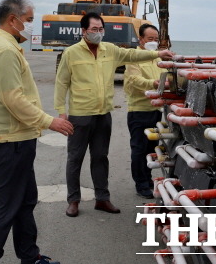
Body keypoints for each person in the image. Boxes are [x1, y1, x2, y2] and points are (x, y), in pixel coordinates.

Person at [0, 0, 74, 264]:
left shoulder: (4, 46)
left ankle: (30, 256)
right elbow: (13, 99)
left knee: (24, 202)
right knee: (6, 207)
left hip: (17, 138)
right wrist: (49, 121)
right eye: (29, 20)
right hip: (9, 141)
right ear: (12, 19)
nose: (31, 26)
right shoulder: (4, 51)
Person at [54, 12, 174, 217]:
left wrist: (157, 54)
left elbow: (133, 55)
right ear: (84, 31)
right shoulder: (71, 53)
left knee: (100, 157)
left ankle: (102, 198)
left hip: (103, 113)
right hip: (80, 114)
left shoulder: (109, 50)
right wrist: (61, 113)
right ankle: (73, 200)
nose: (98, 33)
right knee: (75, 158)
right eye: (94, 29)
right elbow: (62, 82)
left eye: (101, 29)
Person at [123, 23, 168, 198]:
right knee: (139, 149)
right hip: (139, 111)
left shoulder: (157, 59)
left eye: (156, 39)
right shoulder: (134, 57)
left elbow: (166, 75)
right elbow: (134, 80)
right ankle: (140, 184)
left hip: (156, 110)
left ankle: (147, 178)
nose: (153, 42)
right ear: (140, 40)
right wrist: (153, 84)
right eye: (150, 39)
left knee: (152, 147)